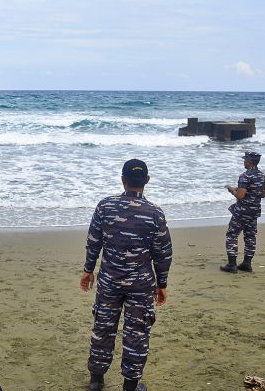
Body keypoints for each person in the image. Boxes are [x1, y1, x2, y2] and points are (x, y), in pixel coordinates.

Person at [80, 159, 172, 391]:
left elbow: (94, 241)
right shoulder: (154, 213)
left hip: (109, 280)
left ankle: (96, 380)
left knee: (103, 327)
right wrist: (162, 283)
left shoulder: (105, 206)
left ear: (123, 179)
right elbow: (163, 252)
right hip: (140, 284)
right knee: (137, 332)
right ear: (147, 181)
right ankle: (130, 386)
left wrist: (88, 269)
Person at [220, 151, 265, 273]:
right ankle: (247, 263)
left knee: (232, 235)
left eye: (245, 159)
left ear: (249, 161)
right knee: (250, 236)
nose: (244, 161)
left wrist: (232, 190)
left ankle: (232, 265)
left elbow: (240, 195)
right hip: (254, 211)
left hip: (242, 212)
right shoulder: (263, 176)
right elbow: (263, 194)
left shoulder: (245, 176)